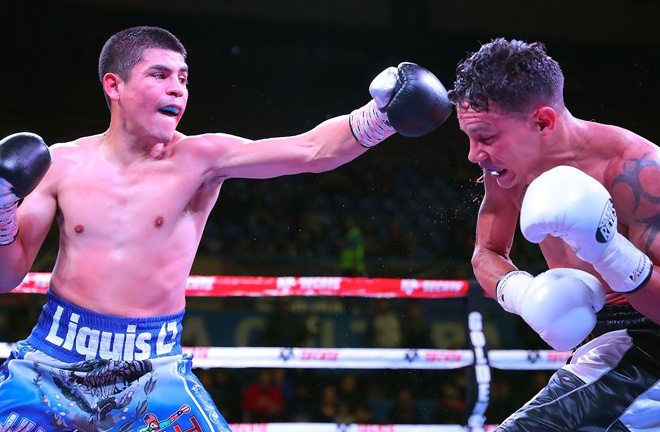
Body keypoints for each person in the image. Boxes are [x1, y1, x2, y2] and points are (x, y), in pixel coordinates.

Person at [0, 26, 452, 431]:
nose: (177, 88)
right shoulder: (60, 162)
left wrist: (380, 117)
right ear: (113, 85)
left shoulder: (201, 158)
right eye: (160, 75)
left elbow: (313, 150)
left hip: (153, 369)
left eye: (183, 78)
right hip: (52, 359)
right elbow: (8, 275)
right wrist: (1, 210)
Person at [448, 37, 660, 430]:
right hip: (597, 346)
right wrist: (523, 293)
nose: (473, 154)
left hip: (649, 345)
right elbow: (487, 251)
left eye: (487, 138)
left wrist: (610, 252)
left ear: (543, 121)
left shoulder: (636, 170)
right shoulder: (504, 170)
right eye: (470, 137)